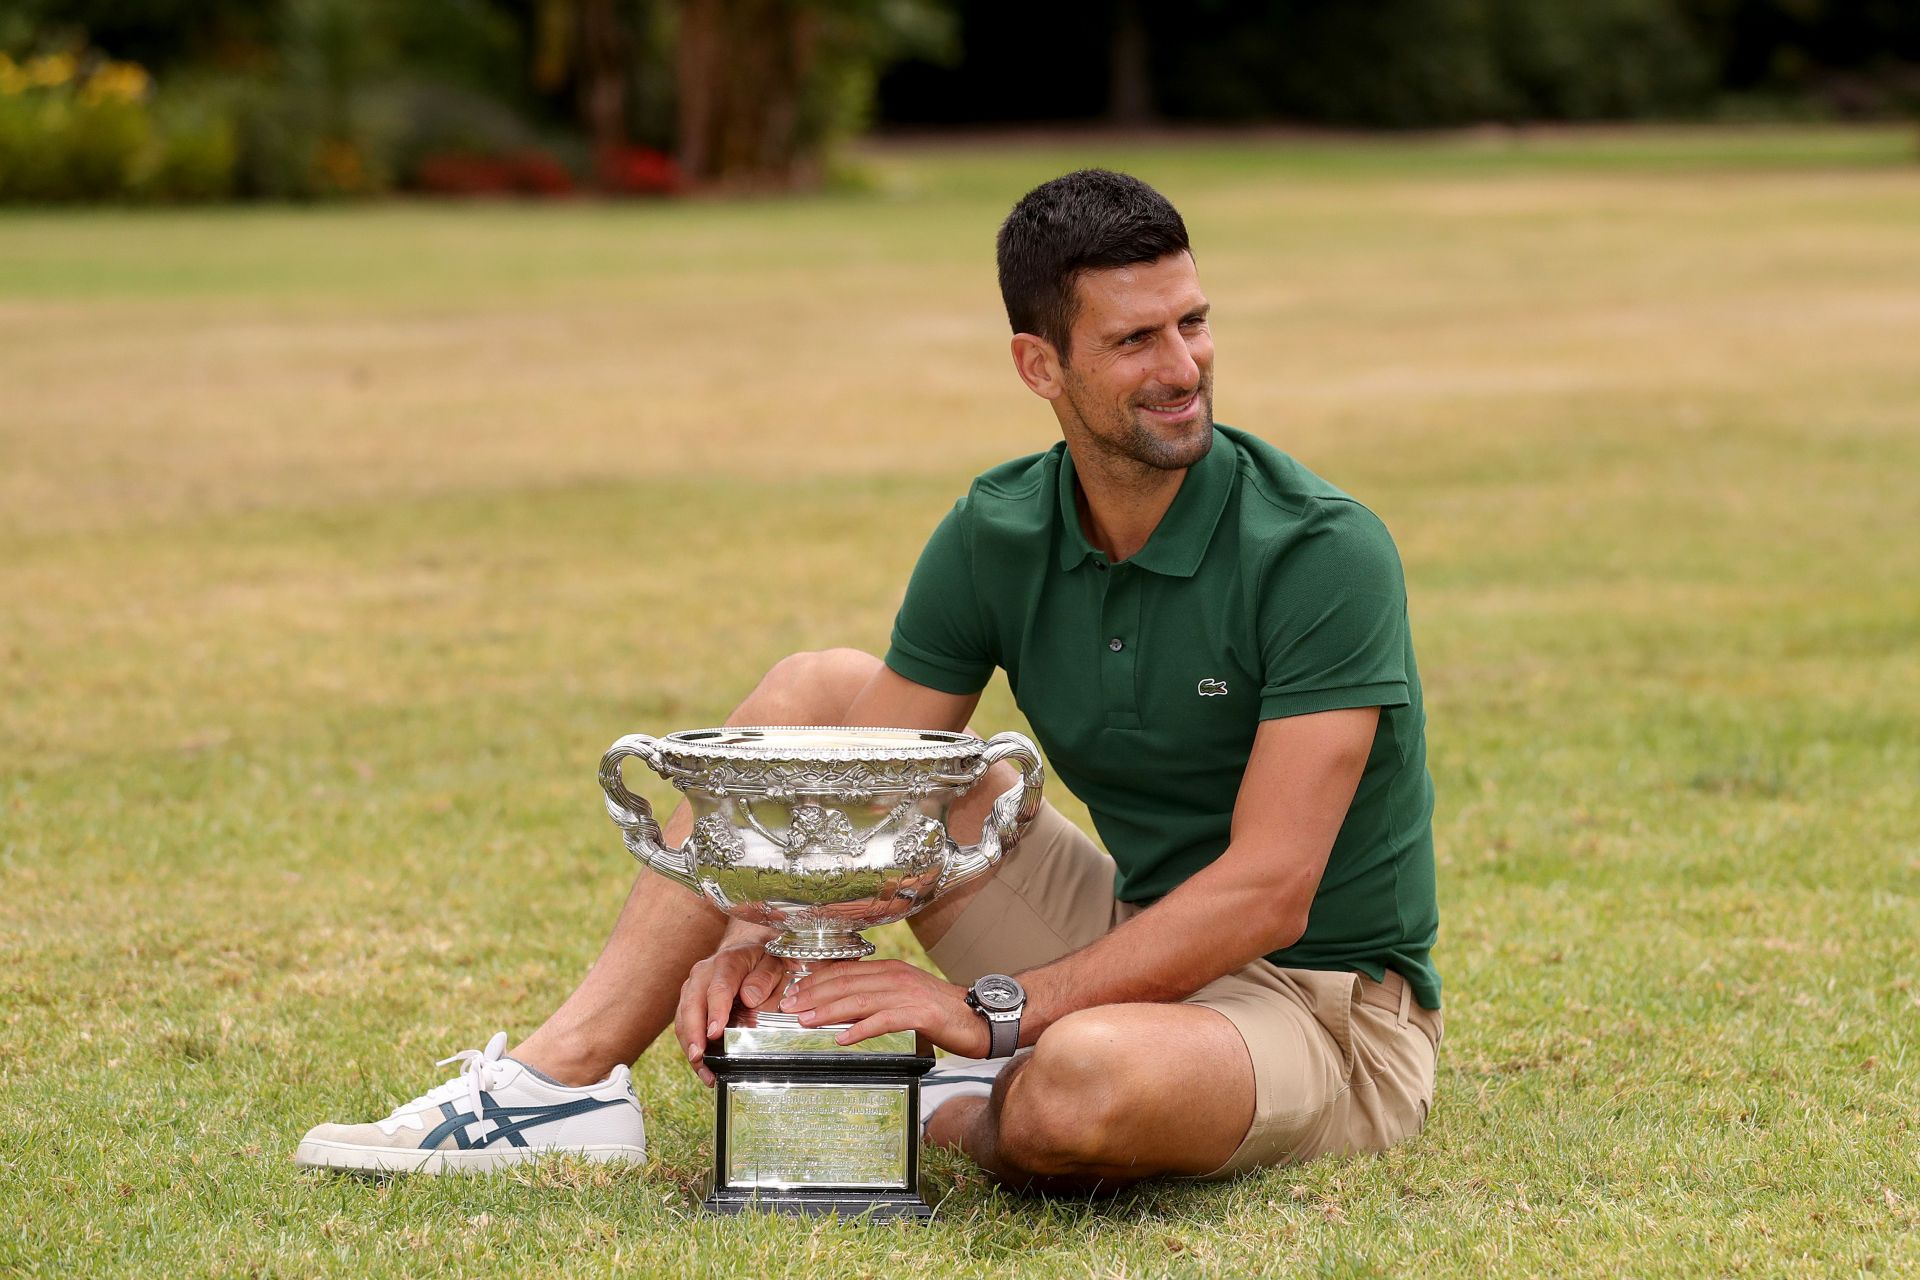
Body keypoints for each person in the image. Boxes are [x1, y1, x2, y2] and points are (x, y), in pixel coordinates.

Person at [295, 169, 1441, 1186]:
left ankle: (939, 1099)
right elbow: (855, 795)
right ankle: (564, 1083)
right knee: (817, 693)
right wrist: (754, 940)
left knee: (1078, 1085)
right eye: (1135, 340)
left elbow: (1270, 889)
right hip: (1127, 930)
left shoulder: (1321, 550)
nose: (1184, 366)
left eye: (1193, 323)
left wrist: (986, 1012)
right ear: (1038, 364)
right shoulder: (998, 530)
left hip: (1317, 1004)